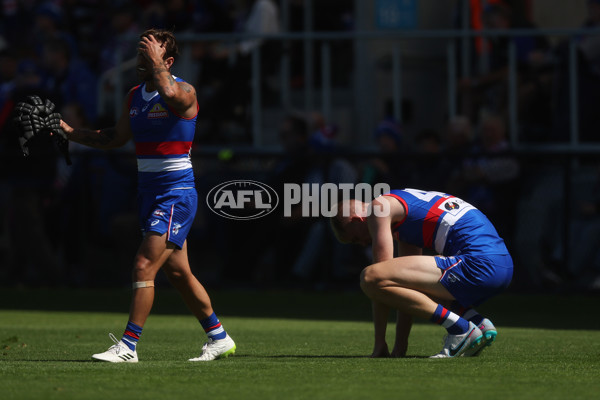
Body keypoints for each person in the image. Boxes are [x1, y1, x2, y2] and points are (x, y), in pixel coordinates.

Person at [59, 29, 235, 363]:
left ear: (167, 61)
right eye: (141, 54)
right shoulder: (135, 96)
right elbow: (113, 138)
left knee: (143, 266)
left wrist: (158, 66)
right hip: (148, 194)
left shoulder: (184, 91)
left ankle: (128, 346)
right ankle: (219, 337)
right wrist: (68, 131)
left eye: (150, 55)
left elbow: (170, 92)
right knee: (179, 273)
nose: (142, 61)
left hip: (176, 194)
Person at [330, 188, 513, 358]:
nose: (362, 243)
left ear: (356, 219)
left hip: (479, 264)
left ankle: (460, 329)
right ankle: (475, 320)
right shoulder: (404, 212)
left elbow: (378, 278)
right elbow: (403, 286)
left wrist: (380, 342)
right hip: (501, 265)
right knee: (402, 278)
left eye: (355, 238)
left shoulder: (378, 208)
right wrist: (400, 346)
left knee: (369, 276)